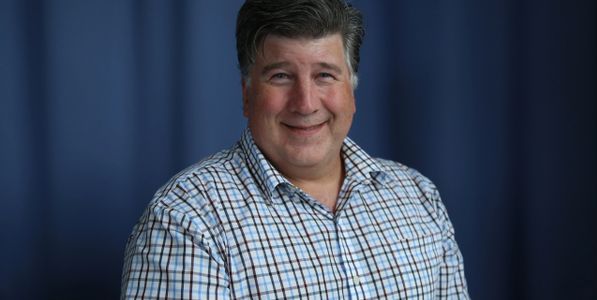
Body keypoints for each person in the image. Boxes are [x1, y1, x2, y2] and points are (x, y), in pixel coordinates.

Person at [121, 0, 470, 298]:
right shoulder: (186, 220)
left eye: (324, 76)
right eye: (281, 76)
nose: (305, 104)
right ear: (246, 94)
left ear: (352, 89)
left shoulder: (418, 197)